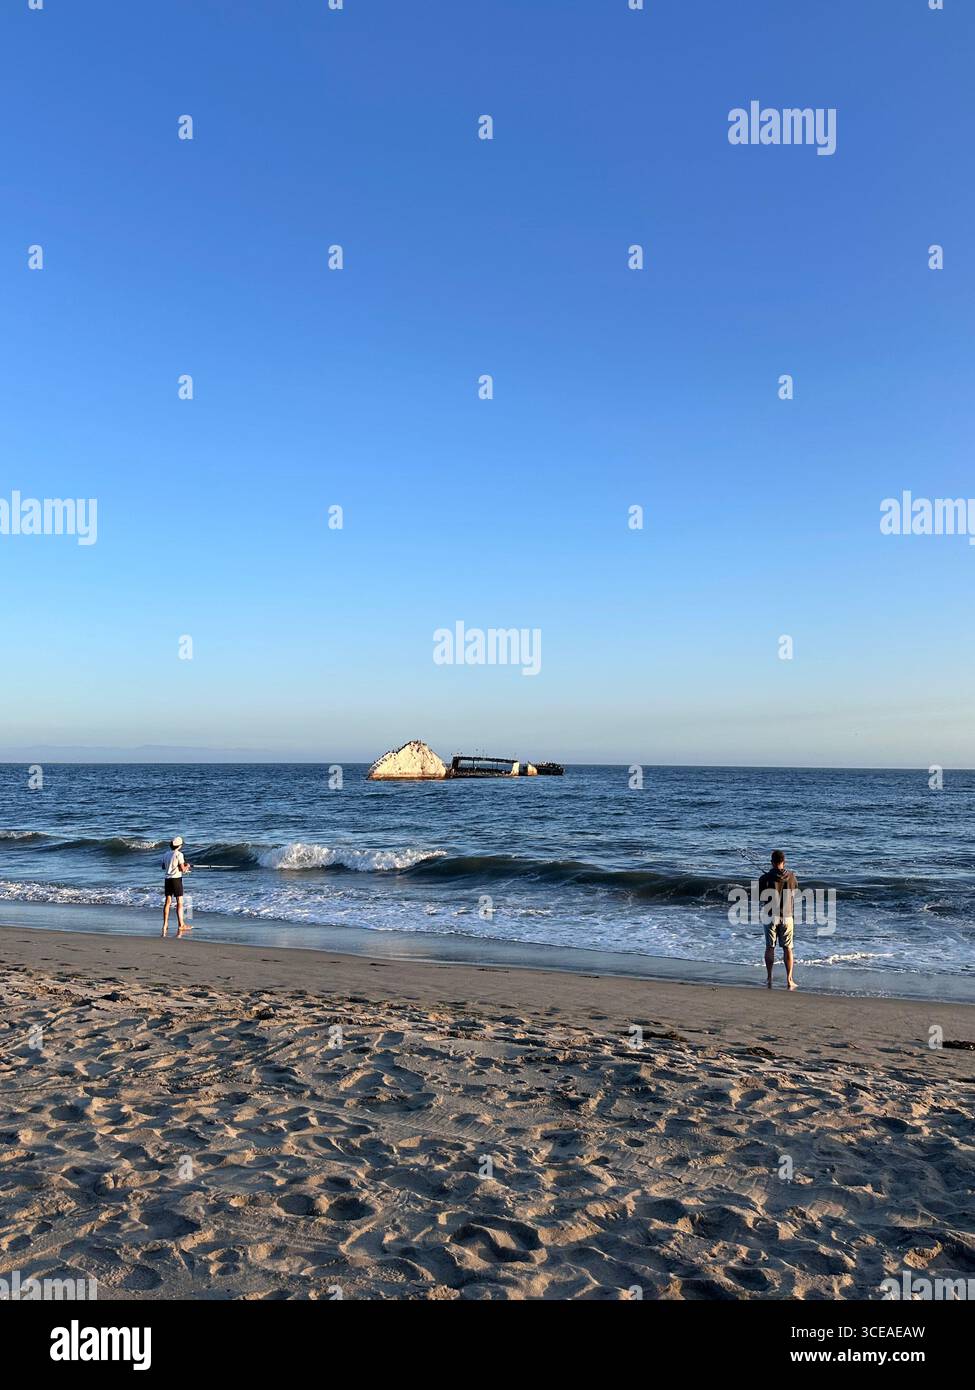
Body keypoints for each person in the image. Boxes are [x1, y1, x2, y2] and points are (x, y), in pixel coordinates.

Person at [759, 849, 797, 990]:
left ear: (772, 862)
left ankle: (769, 977)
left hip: (770, 915)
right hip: (787, 916)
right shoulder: (792, 876)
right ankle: (789, 980)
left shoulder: (765, 878)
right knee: (788, 948)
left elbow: (760, 896)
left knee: (770, 947)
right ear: (783, 862)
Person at [161, 836, 193, 938]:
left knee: (167, 902)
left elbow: (163, 866)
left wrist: (176, 866)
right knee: (180, 902)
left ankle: (165, 925)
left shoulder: (166, 854)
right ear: (179, 846)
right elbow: (183, 870)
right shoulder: (179, 854)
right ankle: (181, 925)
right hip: (176, 880)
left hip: (167, 879)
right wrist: (187, 866)